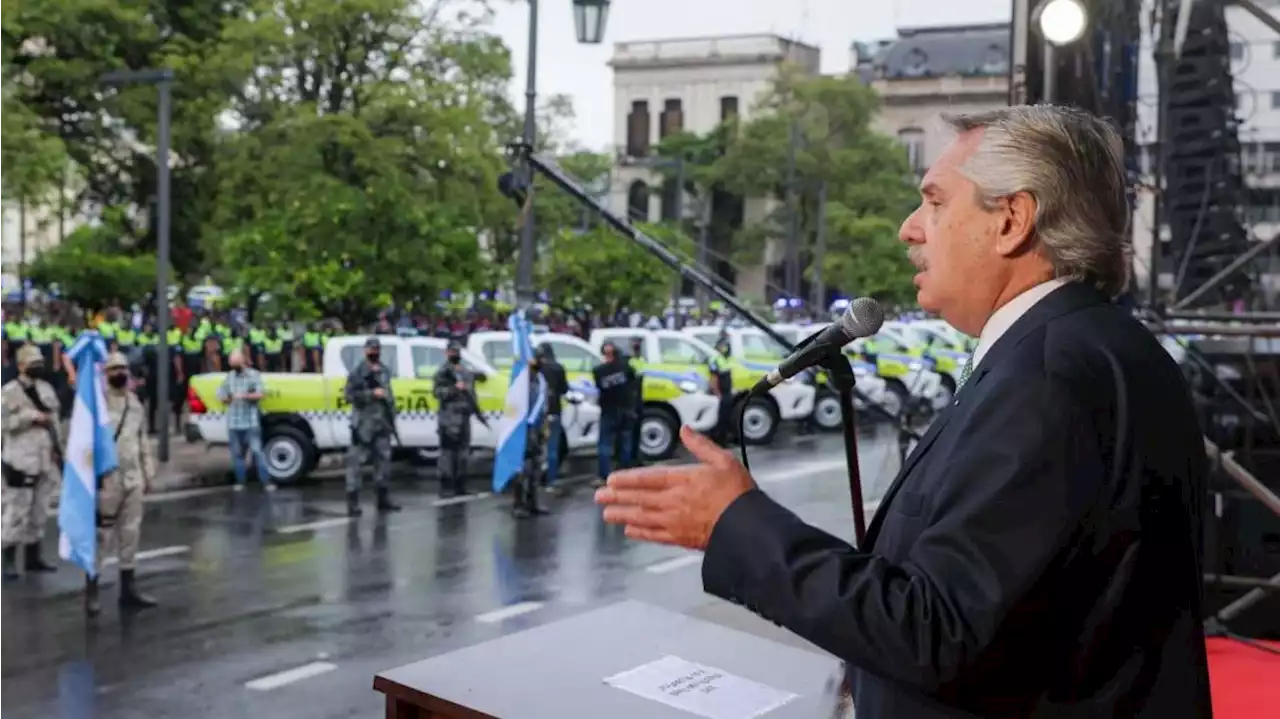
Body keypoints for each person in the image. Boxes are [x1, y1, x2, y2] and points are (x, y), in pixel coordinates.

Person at [595, 106, 1212, 718]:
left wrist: (734, 523)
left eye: (936, 202)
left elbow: (938, 632)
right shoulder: (1093, 347)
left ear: (1012, 221)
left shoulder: (1049, 375)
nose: (909, 229)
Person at [88, 352, 158, 615]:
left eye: (124, 369)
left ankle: (128, 590)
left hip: (133, 477)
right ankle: (92, 589)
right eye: (115, 369)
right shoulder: (97, 405)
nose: (121, 374)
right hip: (108, 478)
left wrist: (148, 473)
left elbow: (142, 442)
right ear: (105, 374)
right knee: (102, 536)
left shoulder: (135, 404)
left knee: (130, 533)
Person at [0, 345, 63, 579]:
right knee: (16, 510)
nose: (37, 366)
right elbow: (3, 424)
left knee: (39, 510)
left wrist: (60, 450)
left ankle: (32, 556)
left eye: (39, 362)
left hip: (45, 458)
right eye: (32, 363)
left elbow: (55, 422)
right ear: (21, 365)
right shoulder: (8, 392)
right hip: (19, 460)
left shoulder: (46, 389)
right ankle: (7, 558)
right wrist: (30, 417)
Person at [344, 337, 401, 516]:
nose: (374, 352)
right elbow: (349, 396)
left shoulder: (384, 370)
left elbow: (388, 393)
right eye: (371, 349)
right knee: (356, 464)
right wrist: (371, 394)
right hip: (363, 426)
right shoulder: (358, 372)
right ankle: (353, 503)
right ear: (365, 350)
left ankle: (383, 500)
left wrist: (392, 412)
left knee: (383, 463)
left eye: (377, 349)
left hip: (382, 423)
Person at [217, 349, 276, 493]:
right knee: (237, 455)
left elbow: (261, 393)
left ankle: (266, 481)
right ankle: (241, 481)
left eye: (237, 365)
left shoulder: (253, 375)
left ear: (243, 362)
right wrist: (228, 398)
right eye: (233, 365)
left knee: (257, 452)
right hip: (234, 422)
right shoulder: (229, 377)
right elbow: (221, 394)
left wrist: (244, 396)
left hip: (250, 421)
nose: (235, 368)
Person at [432, 341, 475, 498]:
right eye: (452, 352)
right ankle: (446, 486)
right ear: (446, 353)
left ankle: (461, 485)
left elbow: (471, 393)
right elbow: (437, 392)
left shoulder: (466, 372)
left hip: (463, 417)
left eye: (457, 351)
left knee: (463, 453)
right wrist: (454, 389)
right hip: (448, 418)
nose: (455, 354)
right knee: (448, 454)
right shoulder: (442, 372)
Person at [590, 342, 637, 487]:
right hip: (626, 410)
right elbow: (633, 383)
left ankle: (604, 477)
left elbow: (599, 387)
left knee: (604, 444)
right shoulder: (626, 368)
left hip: (608, 411)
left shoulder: (598, 371)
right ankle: (625, 475)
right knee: (625, 443)